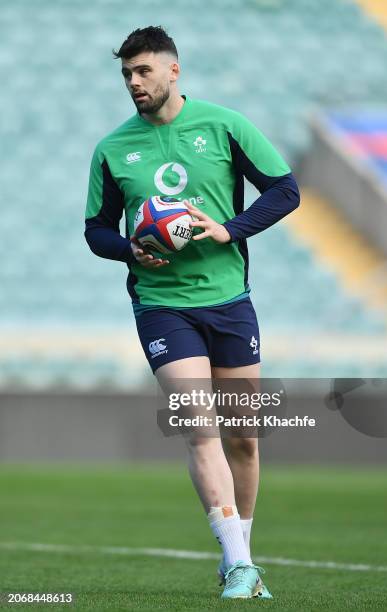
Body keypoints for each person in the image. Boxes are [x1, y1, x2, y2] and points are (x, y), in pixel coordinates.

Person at [85, 25, 300, 599]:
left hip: (229, 301)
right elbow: (96, 231)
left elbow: (284, 190)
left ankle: (242, 557)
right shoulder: (112, 148)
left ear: (172, 70)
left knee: (244, 438)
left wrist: (229, 229)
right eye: (126, 74)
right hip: (161, 307)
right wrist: (129, 247)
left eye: (143, 71)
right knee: (200, 430)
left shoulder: (225, 126)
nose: (133, 82)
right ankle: (237, 564)